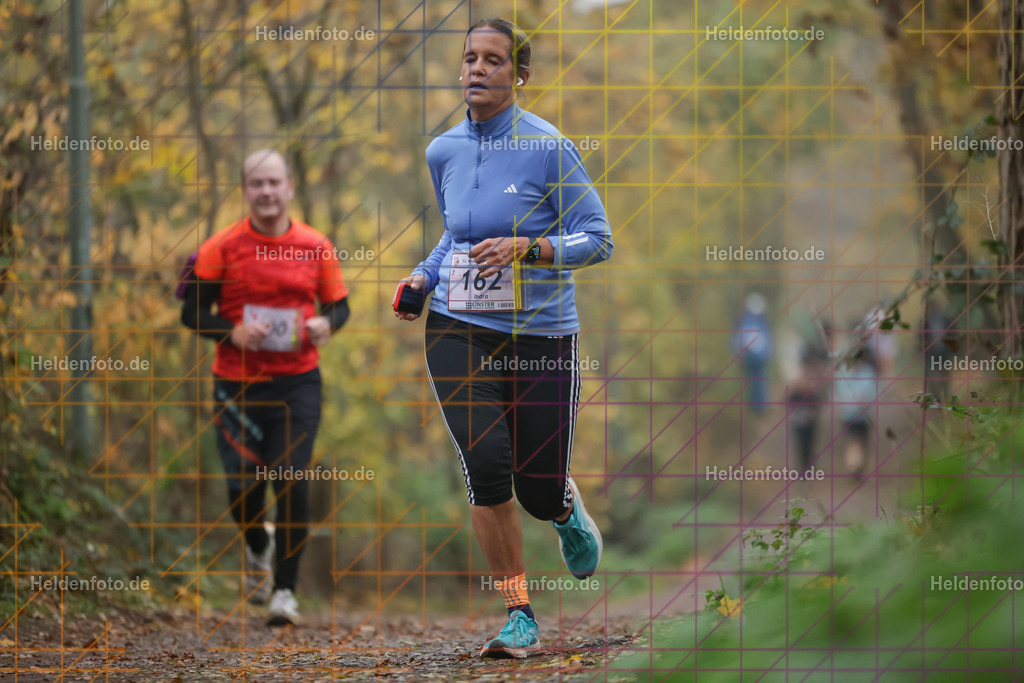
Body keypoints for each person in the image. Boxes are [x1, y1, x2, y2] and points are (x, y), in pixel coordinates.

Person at [395, 17, 612, 658]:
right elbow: (455, 236)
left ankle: (565, 506)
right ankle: (518, 611)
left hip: (541, 335)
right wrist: (422, 275)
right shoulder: (443, 151)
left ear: (518, 74)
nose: (477, 69)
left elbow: (597, 238)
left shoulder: (548, 147)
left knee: (535, 486)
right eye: (469, 58)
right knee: (486, 467)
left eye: (493, 60)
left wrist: (532, 247)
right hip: (459, 327)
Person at [180, 149, 350, 626]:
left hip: (298, 382)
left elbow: (340, 307)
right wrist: (230, 332)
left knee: (291, 476)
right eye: (257, 184)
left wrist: (325, 325)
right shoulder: (220, 247)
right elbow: (190, 311)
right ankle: (258, 543)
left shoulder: (315, 245)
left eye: (274, 182)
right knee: (243, 488)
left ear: (290, 187)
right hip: (236, 385)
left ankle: (284, 592)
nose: (267, 192)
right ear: (246, 191)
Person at [789, 323, 831, 473]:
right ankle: (803, 468)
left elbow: (818, 399)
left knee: (810, 441)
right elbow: (790, 398)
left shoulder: (813, 382)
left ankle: (809, 468)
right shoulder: (797, 381)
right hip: (799, 417)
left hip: (810, 416)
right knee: (801, 443)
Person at [834, 344, 877, 480]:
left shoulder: (868, 372)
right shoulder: (843, 374)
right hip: (849, 415)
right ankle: (854, 468)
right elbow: (837, 394)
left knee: (862, 443)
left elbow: (875, 392)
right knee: (853, 441)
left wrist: (865, 399)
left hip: (864, 416)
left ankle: (858, 469)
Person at [732, 293, 773, 413]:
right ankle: (755, 406)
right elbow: (739, 338)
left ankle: (759, 406)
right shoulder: (747, 321)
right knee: (753, 381)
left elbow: (766, 339)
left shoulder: (760, 322)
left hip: (758, 357)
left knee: (758, 381)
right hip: (751, 357)